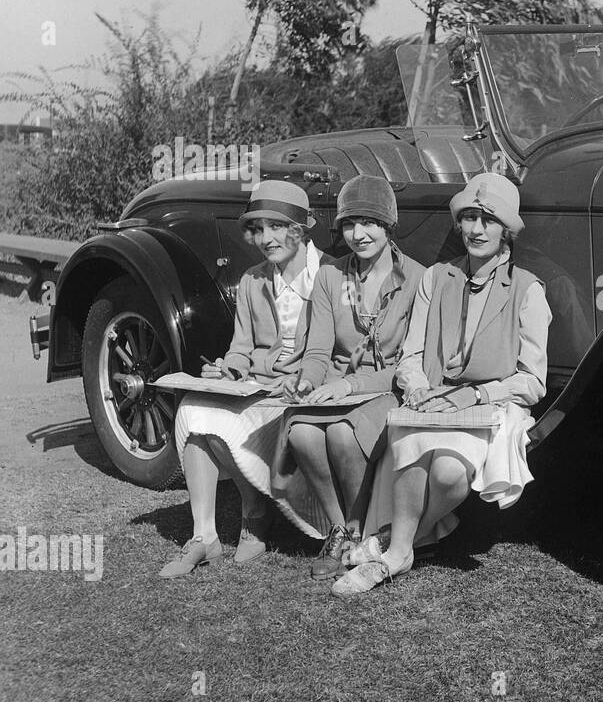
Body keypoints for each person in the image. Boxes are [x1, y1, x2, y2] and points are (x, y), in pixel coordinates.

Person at [331, 172, 552, 596]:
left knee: (450, 475)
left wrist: (477, 393)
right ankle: (398, 554)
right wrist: (416, 389)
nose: (475, 230)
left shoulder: (527, 291)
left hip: (491, 406)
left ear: (506, 230)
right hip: (434, 398)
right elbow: (412, 357)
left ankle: (391, 539)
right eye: (469, 218)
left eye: (488, 220)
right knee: (419, 450)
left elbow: (533, 382)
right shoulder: (437, 278)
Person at [160, 181, 322, 577]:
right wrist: (228, 368)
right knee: (194, 407)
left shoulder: (330, 276)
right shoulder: (252, 280)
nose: (266, 239)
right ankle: (205, 536)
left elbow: (334, 352)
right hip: (257, 386)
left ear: (302, 229)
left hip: (302, 391)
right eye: (259, 229)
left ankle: (254, 515)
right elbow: (242, 346)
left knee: (223, 425)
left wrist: (303, 379)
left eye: (277, 227)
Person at [273, 174, 427, 580]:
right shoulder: (330, 277)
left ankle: (358, 530)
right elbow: (319, 352)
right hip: (337, 386)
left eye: (369, 223)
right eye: (348, 224)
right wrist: (306, 380)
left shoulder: (417, 279)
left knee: (342, 434)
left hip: (387, 389)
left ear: (388, 225)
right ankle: (338, 529)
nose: (358, 235)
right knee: (302, 433)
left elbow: (411, 364)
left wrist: (349, 386)